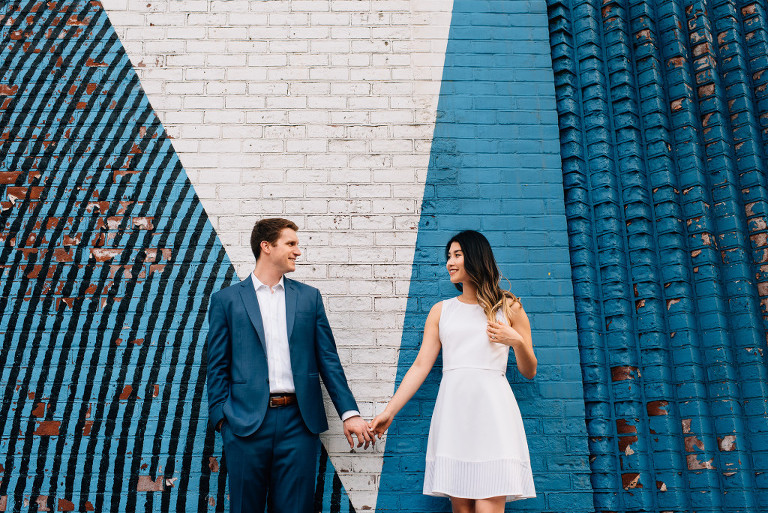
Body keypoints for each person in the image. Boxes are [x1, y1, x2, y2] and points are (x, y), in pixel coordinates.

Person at [206, 218, 373, 513]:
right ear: (266, 247)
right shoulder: (226, 300)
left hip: (298, 423)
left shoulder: (309, 298)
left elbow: (328, 359)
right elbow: (217, 365)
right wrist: (222, 419)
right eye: (291, 244)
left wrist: (350, 413)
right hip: (244, 425)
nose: (298, 251)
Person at [370, 230, 537, 512]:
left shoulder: (509, 307)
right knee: (461, 509)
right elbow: (420, 366)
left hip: (494, 415)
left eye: (457, 255)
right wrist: (390, 411)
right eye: (449, 256)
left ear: (475, 257)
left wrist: (516, 342)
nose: (450, 262)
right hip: (454, 415)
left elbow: (529, 370)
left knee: (488, 505)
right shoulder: (441, 311)